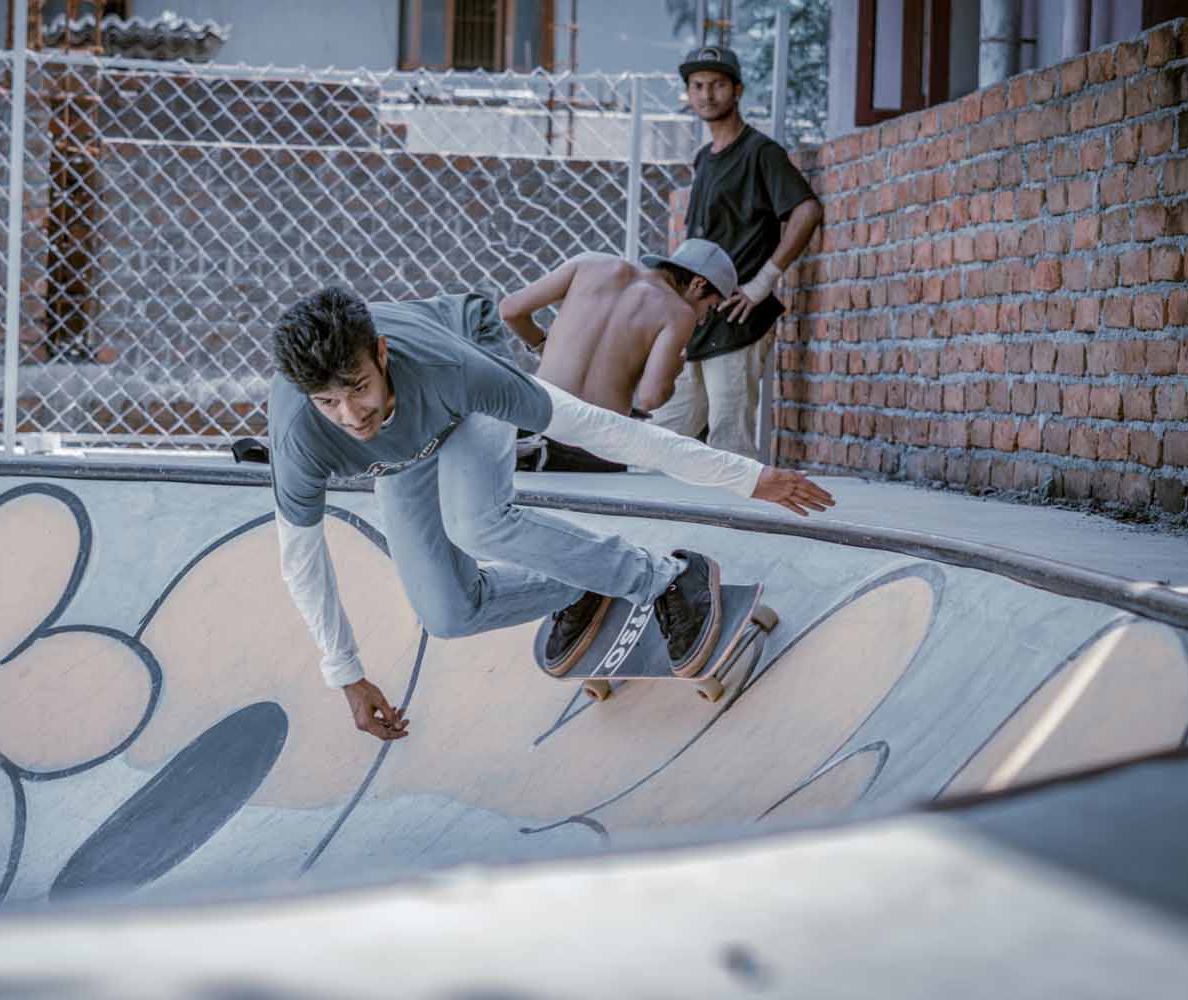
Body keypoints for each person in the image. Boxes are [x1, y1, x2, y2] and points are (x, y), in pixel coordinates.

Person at [268, 286, 836, 741]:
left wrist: (745, 476)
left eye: (359, 389)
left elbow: (606, 431)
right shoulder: (300, 434)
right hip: (404, 454)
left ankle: (664, 577)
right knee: (448, 614)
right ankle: (582, 584)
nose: (350, 416)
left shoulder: (458, 370)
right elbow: (302, 563)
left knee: (475, 522)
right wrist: (345, 673)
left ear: (383, 355)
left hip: (459, 387)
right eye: (328, 402)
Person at [654, 45, 825, 458]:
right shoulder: (704, 159)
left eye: (717, 85)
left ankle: (739, 521)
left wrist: (762, 282)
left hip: (738, 316)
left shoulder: (759, 152)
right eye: (697, 86)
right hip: (701, 320)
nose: (707, 95)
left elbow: (807, 210)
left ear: (737, 90)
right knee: (661, 440)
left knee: (730, 442)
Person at [498, 239, 736, 473]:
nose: (704, 319)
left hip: (533, 423)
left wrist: (543, 345)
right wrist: (673, 370)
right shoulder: (679, 313)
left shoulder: (588, 263)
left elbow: (510, 310)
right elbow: (650, 399)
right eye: (710, 307)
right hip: (593, 447)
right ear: (698, 283)